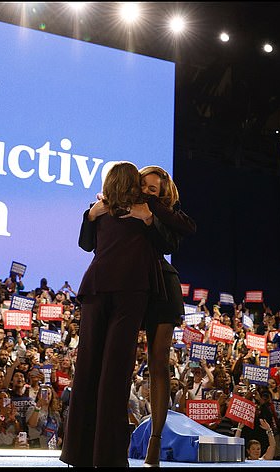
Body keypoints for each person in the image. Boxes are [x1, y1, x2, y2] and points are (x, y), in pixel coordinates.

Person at [59, 161, 165, 467]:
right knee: (114, 375)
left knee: (88, 370)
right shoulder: (142, 212)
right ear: (133, 183)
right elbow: (169, 240)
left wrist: (90, 214)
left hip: (96, 290)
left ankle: (77, 453)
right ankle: (107, 457)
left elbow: (85, 244)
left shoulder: (102, 210)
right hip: (129, 293)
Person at [136, 165, 196, 466]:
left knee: (157, 365)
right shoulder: (124, 205)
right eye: (143, 186)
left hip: (162, 288)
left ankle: (155, 443)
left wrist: (152, 215)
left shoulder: (163, 214)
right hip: (129, 287)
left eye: (154, 189)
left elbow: (176, 238)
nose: (147, 192)